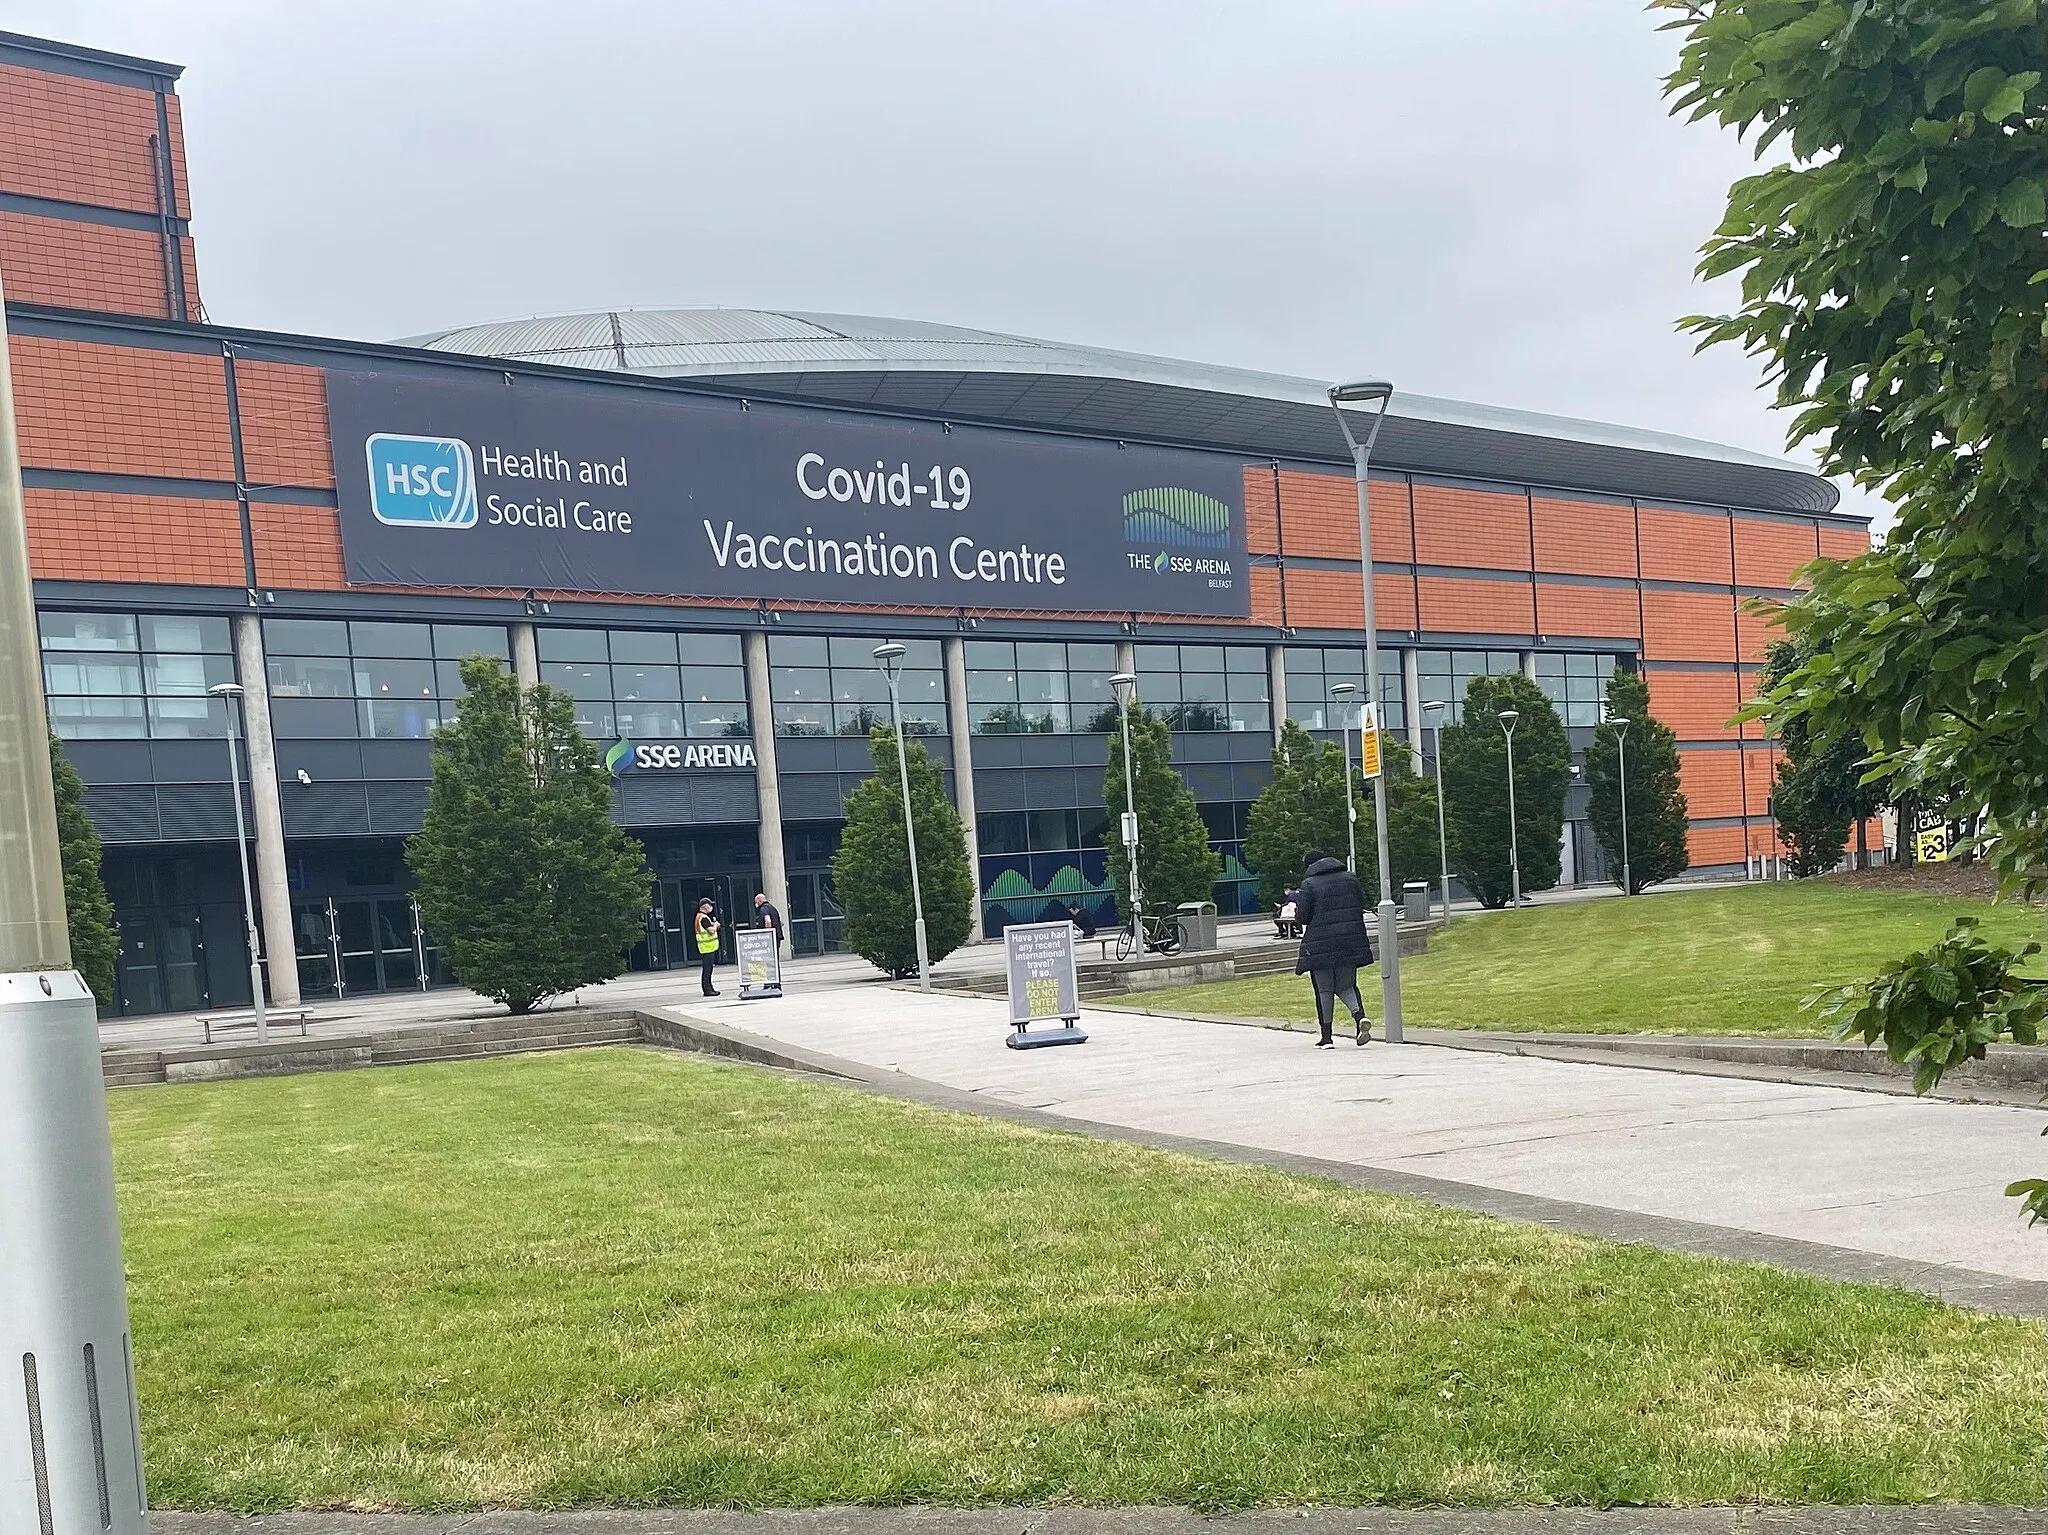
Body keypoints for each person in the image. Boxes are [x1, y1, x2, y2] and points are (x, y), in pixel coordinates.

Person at [1293, 849, 1373, 1048]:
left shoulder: (1309, 884)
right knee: (1347, 985)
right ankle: (1360, 1017)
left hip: (1321, 943)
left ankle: (1327, 1037)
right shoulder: (1351, 878)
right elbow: (1362, 903)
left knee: (1324, 989)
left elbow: (1303, 917)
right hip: (1350, 940)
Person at [694, 897, 721, 996]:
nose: (711, 907)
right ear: (704, 906)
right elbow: (710, 931)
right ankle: (707, 990)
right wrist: (716, 925)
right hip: (707, 947)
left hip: (705, 947)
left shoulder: (699, 916)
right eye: (710, 905)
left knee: (707, 969)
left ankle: (709, 988)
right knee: (707, 970)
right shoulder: (703, 918)